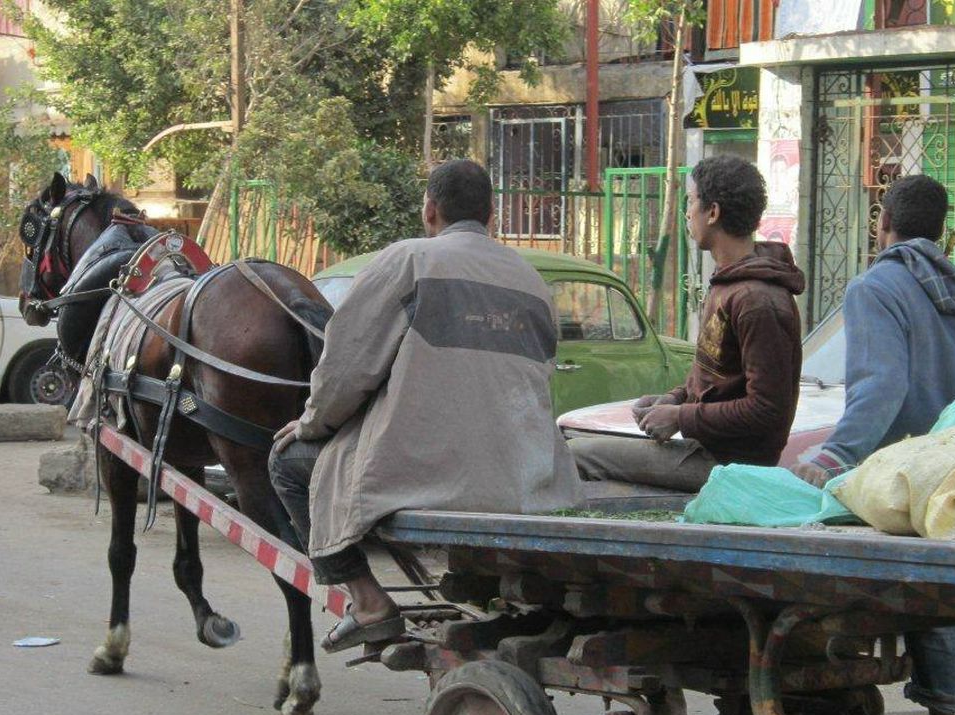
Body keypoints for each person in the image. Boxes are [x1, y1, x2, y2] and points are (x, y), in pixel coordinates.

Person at [269, 159, 582, 652]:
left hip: (427, 469)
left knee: (287, 463)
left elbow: (345, 369)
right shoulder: (531, 281)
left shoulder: (410, 260)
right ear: (492, 216)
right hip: (527, 473)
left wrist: (311, 424)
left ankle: (368, 601)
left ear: (429, 210)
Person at [791, 174, 955, 715]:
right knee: (939, 607)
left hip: (893, 476)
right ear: (943, 230)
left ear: (882, 224)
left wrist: (829, 460)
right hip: (949, 467)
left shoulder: (876, 286)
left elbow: (880, 388)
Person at [567, 154, 805, 493]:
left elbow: (768, 409)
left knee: (575, 456)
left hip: (729, 466)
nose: (686, 212)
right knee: (575, 441)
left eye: (690, 201)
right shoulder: (729, 284)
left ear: (713, 212)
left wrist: (680, 418)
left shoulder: (758, 301)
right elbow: (719, 382)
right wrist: (674, 399)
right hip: (706, 450)